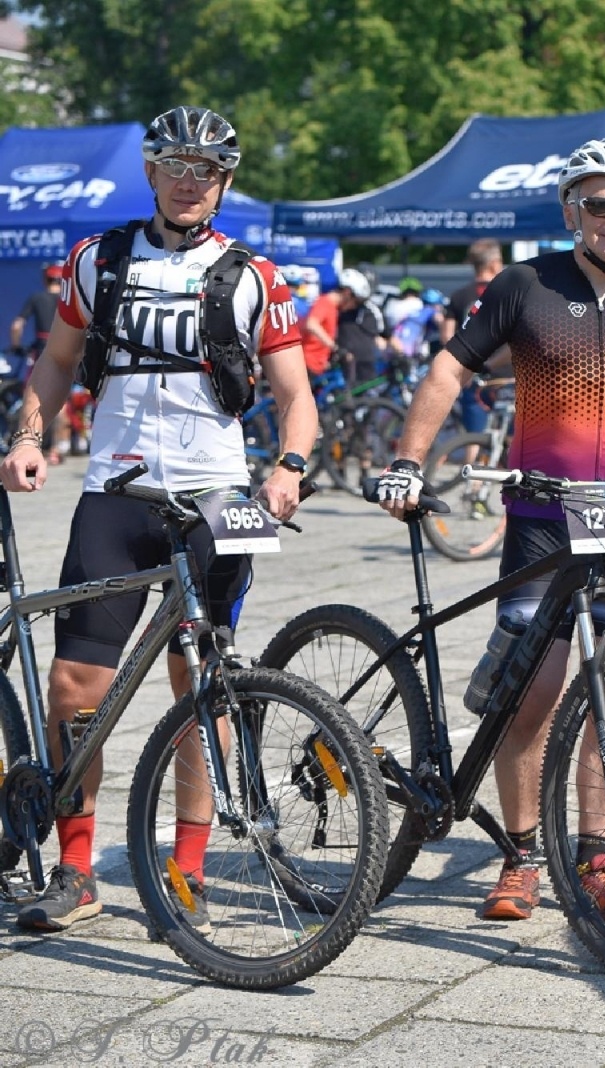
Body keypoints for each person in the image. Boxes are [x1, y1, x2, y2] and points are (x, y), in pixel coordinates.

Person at [374, 137, 605, 923]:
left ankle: (597, 858)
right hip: (542, 515)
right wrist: (408, 460)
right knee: (531, 692)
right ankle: (522, 853)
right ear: (571, 210)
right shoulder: (524, 283)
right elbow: (449, 369)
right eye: (600, 206)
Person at [0, 105, 316, 932]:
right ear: (150, 171)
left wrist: (288, 467)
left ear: (226, 181)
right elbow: (57, 361)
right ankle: (77, 871)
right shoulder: (97, 260)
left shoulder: (255, 277)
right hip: (116, 493)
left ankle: (187, 871)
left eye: (205, 169)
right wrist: (30, 437)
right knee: (75, 688)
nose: (188, 179)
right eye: (175, 163)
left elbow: (297, 400)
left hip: (214, 498)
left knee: (202, 691)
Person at [442, 239, 507, 441]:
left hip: (472, 374)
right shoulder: (510, 293)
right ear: (494, 264)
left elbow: (447, 337)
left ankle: (475, 472)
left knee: (474, 439)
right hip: (507, 375)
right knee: (511, 438)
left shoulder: (459, 296)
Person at [10, 262, 71, 462]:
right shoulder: (66, 299)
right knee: (64, 402)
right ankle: (57, 448)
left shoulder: (37, 298)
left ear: (46, 278)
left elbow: (17, 325)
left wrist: (16, 346)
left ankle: (31, 445)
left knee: (35, 396)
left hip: (42, 349)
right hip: (68, 347)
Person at [299, 269, 362, 379]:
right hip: (307, 364)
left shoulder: (334, 309)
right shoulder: (324, 302)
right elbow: (311, 324)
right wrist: (335, 347)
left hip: (317, 366)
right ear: (347, 292)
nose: (354, 307)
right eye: (356, 302)